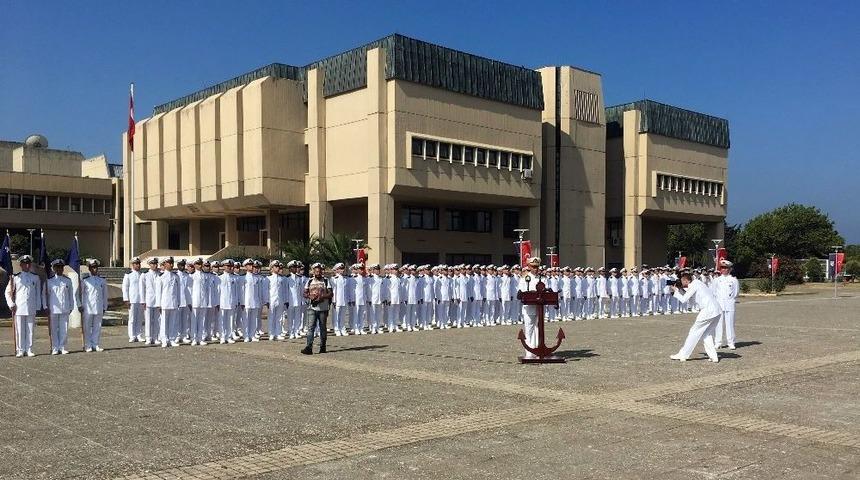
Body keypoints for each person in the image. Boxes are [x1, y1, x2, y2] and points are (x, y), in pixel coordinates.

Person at [669, 271, 723, 363]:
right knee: (706, 334)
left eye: (682, 281)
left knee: (693, 332)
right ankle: (714, 357)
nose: (681, 283)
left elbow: (684, 300)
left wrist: (676, 292)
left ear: (686, 280)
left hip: (708, 311)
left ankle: (683, 354)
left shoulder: (694, 285)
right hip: (716, 310)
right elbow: (692, 298)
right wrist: (681, 290)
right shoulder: (698, 283)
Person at [5, 255, 44, 357]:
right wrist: (11, 304)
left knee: (31, 329)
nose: (27, 265)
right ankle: (20, 350)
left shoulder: (35, 277)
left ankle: (30, 349)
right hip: (19, 307)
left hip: (31, 306)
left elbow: (37, 292)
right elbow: (8, 292)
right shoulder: (15, 277)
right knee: (19, 330)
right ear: (21, 265)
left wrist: (38, 306)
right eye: (24, 263)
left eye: (28, 263)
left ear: (30, 264)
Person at [45, 259, 75, 355]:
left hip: (65, 308)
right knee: (54, 329)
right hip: (53, 309)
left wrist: (71, 306)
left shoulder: (68, 281)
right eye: (57, 267)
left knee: (64, 329)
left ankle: (62, 347)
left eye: (61, 267)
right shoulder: (49, 281)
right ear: (54, 268)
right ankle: (55, 347)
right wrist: (45, 306)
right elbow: (44, 295)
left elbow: (71, 294)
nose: (59, 269)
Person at [301, 263, 332, 355]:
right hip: (312, 307)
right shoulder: (310, 281)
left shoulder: (326, 281)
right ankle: (309, 347)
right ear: (313, 271)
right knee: (310, 328)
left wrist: (322, 297)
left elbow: (330, 293)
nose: (318, 273)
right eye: (316, 271)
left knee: (322, 328)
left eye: (319, 271)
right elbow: (305, 293)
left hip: (323, 308)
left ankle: (323, 346)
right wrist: (309, 296)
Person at [80, 259, 108, 352]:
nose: (94, 269)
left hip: (98, 306)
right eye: (92, 267)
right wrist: (80, 305)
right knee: (87, 327)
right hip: (88, 307)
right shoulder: (85, 281)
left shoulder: (102, 280)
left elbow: (105, 295)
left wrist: (105, 306)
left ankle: (95, 344)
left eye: (96, 267)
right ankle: (88, 345)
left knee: (97, 326)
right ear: (89, 269)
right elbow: (80, 294)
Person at [517, 256, 542, 359]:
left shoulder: (542, 278)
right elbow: (521, 292)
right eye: (533, 267)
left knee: (538, 328)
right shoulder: (525, 278)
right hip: (529, 307)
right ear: (529, 267)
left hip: (540, 307)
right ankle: (529, 351)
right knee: (529, 328)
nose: (535, 269)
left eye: (536, 267)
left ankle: (536, 349)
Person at [155, 257, 182, 348]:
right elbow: (158, 292)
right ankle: (164, 339)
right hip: (165, 303)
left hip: (174, 302)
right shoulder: (161, 277)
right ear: (164, 264)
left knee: (173, 322)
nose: (171, 265)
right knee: (164, 322)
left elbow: (178, 291)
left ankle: (172, 339)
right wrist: (158, 304)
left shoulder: (175, 276)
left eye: (172, 263)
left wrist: (178, 301)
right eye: (169, 263)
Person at [715, 260, 740, 349]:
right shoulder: (717, 280)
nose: (724, 270)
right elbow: (713, 292)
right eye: (722, 268)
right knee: (718, 324)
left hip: (729, 304)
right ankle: (718, 342)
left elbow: (736, 293)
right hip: (719, 304)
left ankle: (731, 342)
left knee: (730, 324)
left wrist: (731, 300)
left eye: (725, 268)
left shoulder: (733, 280)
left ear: (729, 269)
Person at [122, 257, 144, 342]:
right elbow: (125, 287)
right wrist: (126, 299)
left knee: (139, 318)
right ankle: (132, 335)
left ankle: (139, 335)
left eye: (139, 264)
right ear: (132, 264)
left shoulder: (142, 274)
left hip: (140, 299)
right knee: (132, 318)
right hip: (132, 299)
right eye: (136, 264)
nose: (138, 265)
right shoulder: (128, 274)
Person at [139, 257, 161, 345]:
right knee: (148, 320)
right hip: (148, 300)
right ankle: (148, 337)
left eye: (155, 264)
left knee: (157, 320)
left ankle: (155, 337)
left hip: (157, 301)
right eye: (152, 264)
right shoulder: (145, 275)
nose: (154, 265)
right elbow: (142, 289)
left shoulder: (160, 274)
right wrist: (143, 301)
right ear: (149, 265)